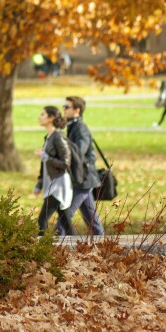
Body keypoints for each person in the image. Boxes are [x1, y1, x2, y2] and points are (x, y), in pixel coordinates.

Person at [60, 96, 106, 236]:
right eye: (64, 106)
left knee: (65, 216)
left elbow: (79, 151)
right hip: (81, 178)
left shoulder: (81, 128)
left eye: (67, 107)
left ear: (77, 110)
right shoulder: (73, 126)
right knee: (92, 219)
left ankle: (54, 245)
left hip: (84, 178)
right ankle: (103, 242)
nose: (64, 109)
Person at [32, 106, 73, 236]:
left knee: (42, 220)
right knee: (66, 222)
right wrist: (39, 184)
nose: (40, 117)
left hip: (58, 184)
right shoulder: (49, 137)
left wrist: (45, 156)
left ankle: (41, 246)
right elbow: (44, 166)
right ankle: (80, 245)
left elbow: (66, 163)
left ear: (51, 118)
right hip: (52, 183)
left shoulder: (58, 137)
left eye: (42, 114)